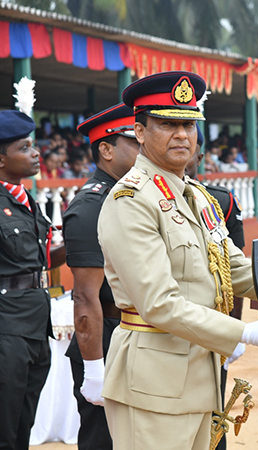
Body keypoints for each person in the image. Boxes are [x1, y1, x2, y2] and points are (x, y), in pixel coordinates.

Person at [96, 71, 258, 450]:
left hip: (200, 374)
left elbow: (234, 268)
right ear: (139, 131)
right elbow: (159, 304)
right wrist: (245, 332)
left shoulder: (199, 196)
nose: (182, 135)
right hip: (153, 382)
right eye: (167, 124)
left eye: (189, 124)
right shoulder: (132, 201)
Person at [63, 103, 141, 450]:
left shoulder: (133, 197)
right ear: (106, 150)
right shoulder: (91, 206)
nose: (144, 147)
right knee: (105, 441)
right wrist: (95, 368)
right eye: (134, 142)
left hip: (139, 334)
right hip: (107, 338)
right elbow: (85, 297)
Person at [0, 109, 66, 449]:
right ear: (1, 159)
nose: (36, 153)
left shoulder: (24, 201)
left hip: (36, 325)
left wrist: (80, 242)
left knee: (23, 424)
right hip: (7, 327)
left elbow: (38, 264)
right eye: (24, 148)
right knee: (5, 427)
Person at [185, 127, 246, 450]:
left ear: (200, 156)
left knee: (213, 411)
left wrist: (231, 331)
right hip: (167, 327)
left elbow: (232, 272)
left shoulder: (219, 201)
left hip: (211, 324)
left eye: (190, 145)